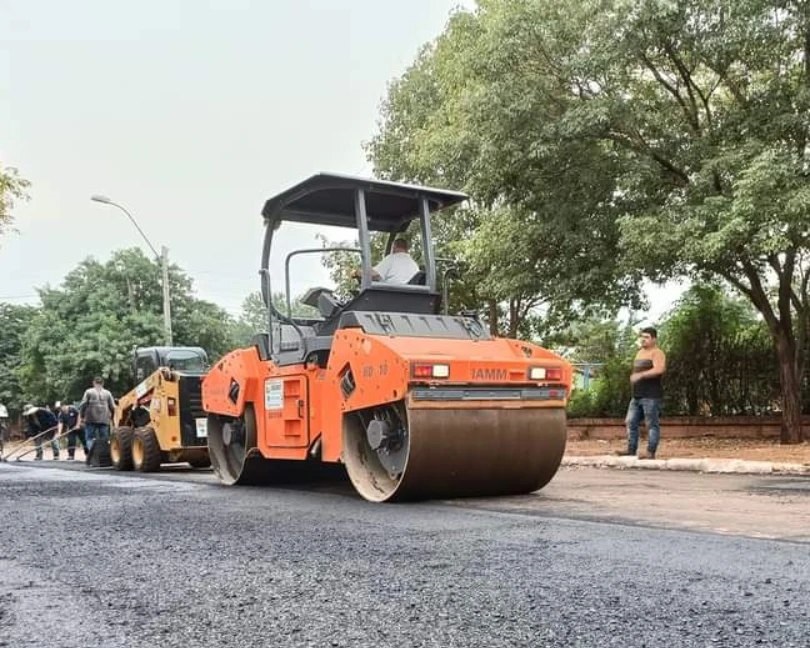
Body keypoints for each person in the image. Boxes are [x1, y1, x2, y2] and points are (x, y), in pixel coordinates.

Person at [622, 327, 666, 460]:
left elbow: (659, 369)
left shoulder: (657, 353)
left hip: (651, 395)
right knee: (630, 422)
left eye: (646, 337)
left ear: (654, 339)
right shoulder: (640, 352)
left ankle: (650, 452)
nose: (643, 339)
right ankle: (631, 450)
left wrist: (641, 375)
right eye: (642, 337)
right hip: (637, 395)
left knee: (651, 424)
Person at [78, 377, 115, 463]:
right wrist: (112, 417)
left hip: (91, 418)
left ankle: (93, 456)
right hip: (104, 419)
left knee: (89, 438)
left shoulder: (89, 392)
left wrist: (82, 416)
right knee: (104, 439)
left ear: (94, 383)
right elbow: (113, 407)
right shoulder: (107, 393)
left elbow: (83, 404)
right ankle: (104, 458)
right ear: (103, 383)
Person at [353, 238, 419, 285]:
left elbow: (374, 275)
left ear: (394, 247)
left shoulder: (392, 258)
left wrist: (357, 272)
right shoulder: (414, 264)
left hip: (391, 298)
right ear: (406, 249)